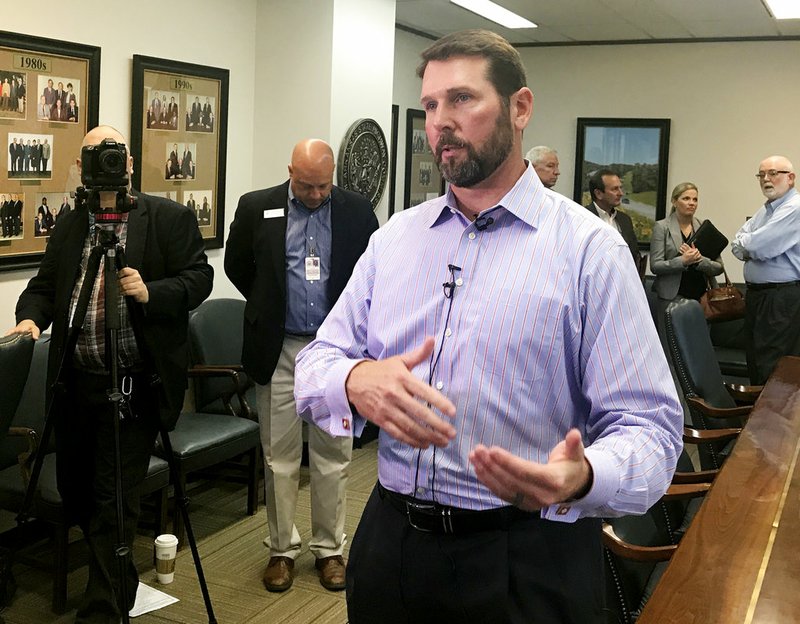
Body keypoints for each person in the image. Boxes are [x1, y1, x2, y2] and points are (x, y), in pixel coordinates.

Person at [294, 30, 683, 624]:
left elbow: (651, 429)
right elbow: (316, 360)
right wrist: (355, 379)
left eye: (461, 100)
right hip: (393, 544)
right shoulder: (394, 240)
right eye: (429, 105)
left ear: (519, 108)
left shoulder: (588, 251)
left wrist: (584, 477)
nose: (440, 123)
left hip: (529, 555)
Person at [5, 125, 213, 624]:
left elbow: (199, 278)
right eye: (93, 156)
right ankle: (116, 579)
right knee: (80, 490)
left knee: (112, 499)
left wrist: (150, 291)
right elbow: (46, 283)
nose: (104, 165)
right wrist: (31, 316)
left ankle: (103, 609)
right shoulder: (73, 223)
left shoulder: (168, 218)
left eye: (111, 155)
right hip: (76, 384)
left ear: (130, 162)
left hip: (136, 385)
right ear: (80, 166)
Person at [225, 138, 378, 594]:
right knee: (280, 456)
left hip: (335, 350)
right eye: (307, 186)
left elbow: (371, 272)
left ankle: (330, 549)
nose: (315, 195)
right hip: (281, 347)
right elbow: (237, 266)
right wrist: (271, 303)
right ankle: (282, 549)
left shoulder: (355, 211)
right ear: (290, 170)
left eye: (323, 186)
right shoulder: (258, 207)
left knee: (334, 454)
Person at [732, 155, 800, 385]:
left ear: (790, 178)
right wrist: (751, 244)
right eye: (761, 175)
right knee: (756, 361)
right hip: (759, 297)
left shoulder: (794, 207)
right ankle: (757, 418)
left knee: (773, 367)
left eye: (773, 173)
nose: (766, 179)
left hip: (780, 299)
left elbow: (760, 245)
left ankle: (773, 420)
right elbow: (737, 244)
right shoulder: (767, 210)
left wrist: (751, 244)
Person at [650, 182, 723, 311]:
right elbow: (655, 266)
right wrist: (682, 261)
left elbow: (718, 267)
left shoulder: (704, 227)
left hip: (703, 297)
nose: (692, 203)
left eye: (695, 199)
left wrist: (699, 260)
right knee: (671, 331)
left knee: (701, 332)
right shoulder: (662, 227)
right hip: (671, 296)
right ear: (674, 201)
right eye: (686, 198)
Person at [585, 168, 642, 269]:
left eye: (620, 188)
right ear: (598, 193)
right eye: (615, 189)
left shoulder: (625, 220)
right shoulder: (583, 218)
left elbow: (634, 255)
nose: (621, 193)